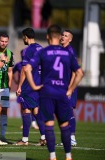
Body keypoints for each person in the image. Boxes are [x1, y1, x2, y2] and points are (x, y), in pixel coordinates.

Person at [24, 24, 84, 160]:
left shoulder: (43, 52)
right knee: (64, 125)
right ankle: (68, 156)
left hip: (47, 93)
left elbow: (27, 68)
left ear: (47, 36)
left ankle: (52, 156)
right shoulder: (68, 53)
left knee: (49, 125)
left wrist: (34, 86)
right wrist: (70, 89)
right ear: (59, 36)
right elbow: (80, 73)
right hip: (62, 93)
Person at [15, 28, 46, 146]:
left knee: (26, 110)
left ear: (25, 37)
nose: (23, 39)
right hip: (39, 84)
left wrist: (19, 86)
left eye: (23, 37)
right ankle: (44, 138)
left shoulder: (28, 50)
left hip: (29, 84)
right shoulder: (41, 48)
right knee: (37, 111)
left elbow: (24, 69)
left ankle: (24, 140)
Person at [13, 50, 39, 130]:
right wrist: (16, 81)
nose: (23, 56)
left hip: (30, 87)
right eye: (22, 55)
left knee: (34, 107)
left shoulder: (32, 64)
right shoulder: (18, 65)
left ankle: (34, 123)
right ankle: (24, 123)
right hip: (22, 88)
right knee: (23, 106)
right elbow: (12, 72)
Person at [61, 29, 78, 146]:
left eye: (66, 36)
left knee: (68, 111)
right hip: (61, 86)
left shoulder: (70, 51)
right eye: (62, 34)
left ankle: (72, 138)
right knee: (63, 112)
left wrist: (70, 88)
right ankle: (67, 138)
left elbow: (74, 72)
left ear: (70, 39)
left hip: (68, 87)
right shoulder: (61, 50)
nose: (62, 37)